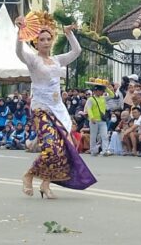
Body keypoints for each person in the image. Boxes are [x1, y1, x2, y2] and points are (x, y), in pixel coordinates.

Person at [15, 16, 95, 199]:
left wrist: (68, 33)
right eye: (41, 39)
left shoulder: (57, 60)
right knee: (51, 146)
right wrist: (20, 31)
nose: (45, 42)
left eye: (48, 39)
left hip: (58, 108)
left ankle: (45, 184)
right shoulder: (33, 60)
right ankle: (29, 175)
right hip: (41, 108)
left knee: (63, 148)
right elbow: (19, 52)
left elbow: (77, 51)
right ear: (36, 43)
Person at [82, 80, 109, 156]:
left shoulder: (103, 98)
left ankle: (105, 150)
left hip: (102, 120)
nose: (102, 92)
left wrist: (106, 88)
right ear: (96, 91)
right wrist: (92, 117)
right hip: (94, 120)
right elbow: (89, 109)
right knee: (93, 136)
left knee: (105, 135)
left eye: (102, 91)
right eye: (101, 91)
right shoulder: (90, 99)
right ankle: (93, 151)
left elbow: (112, 95)